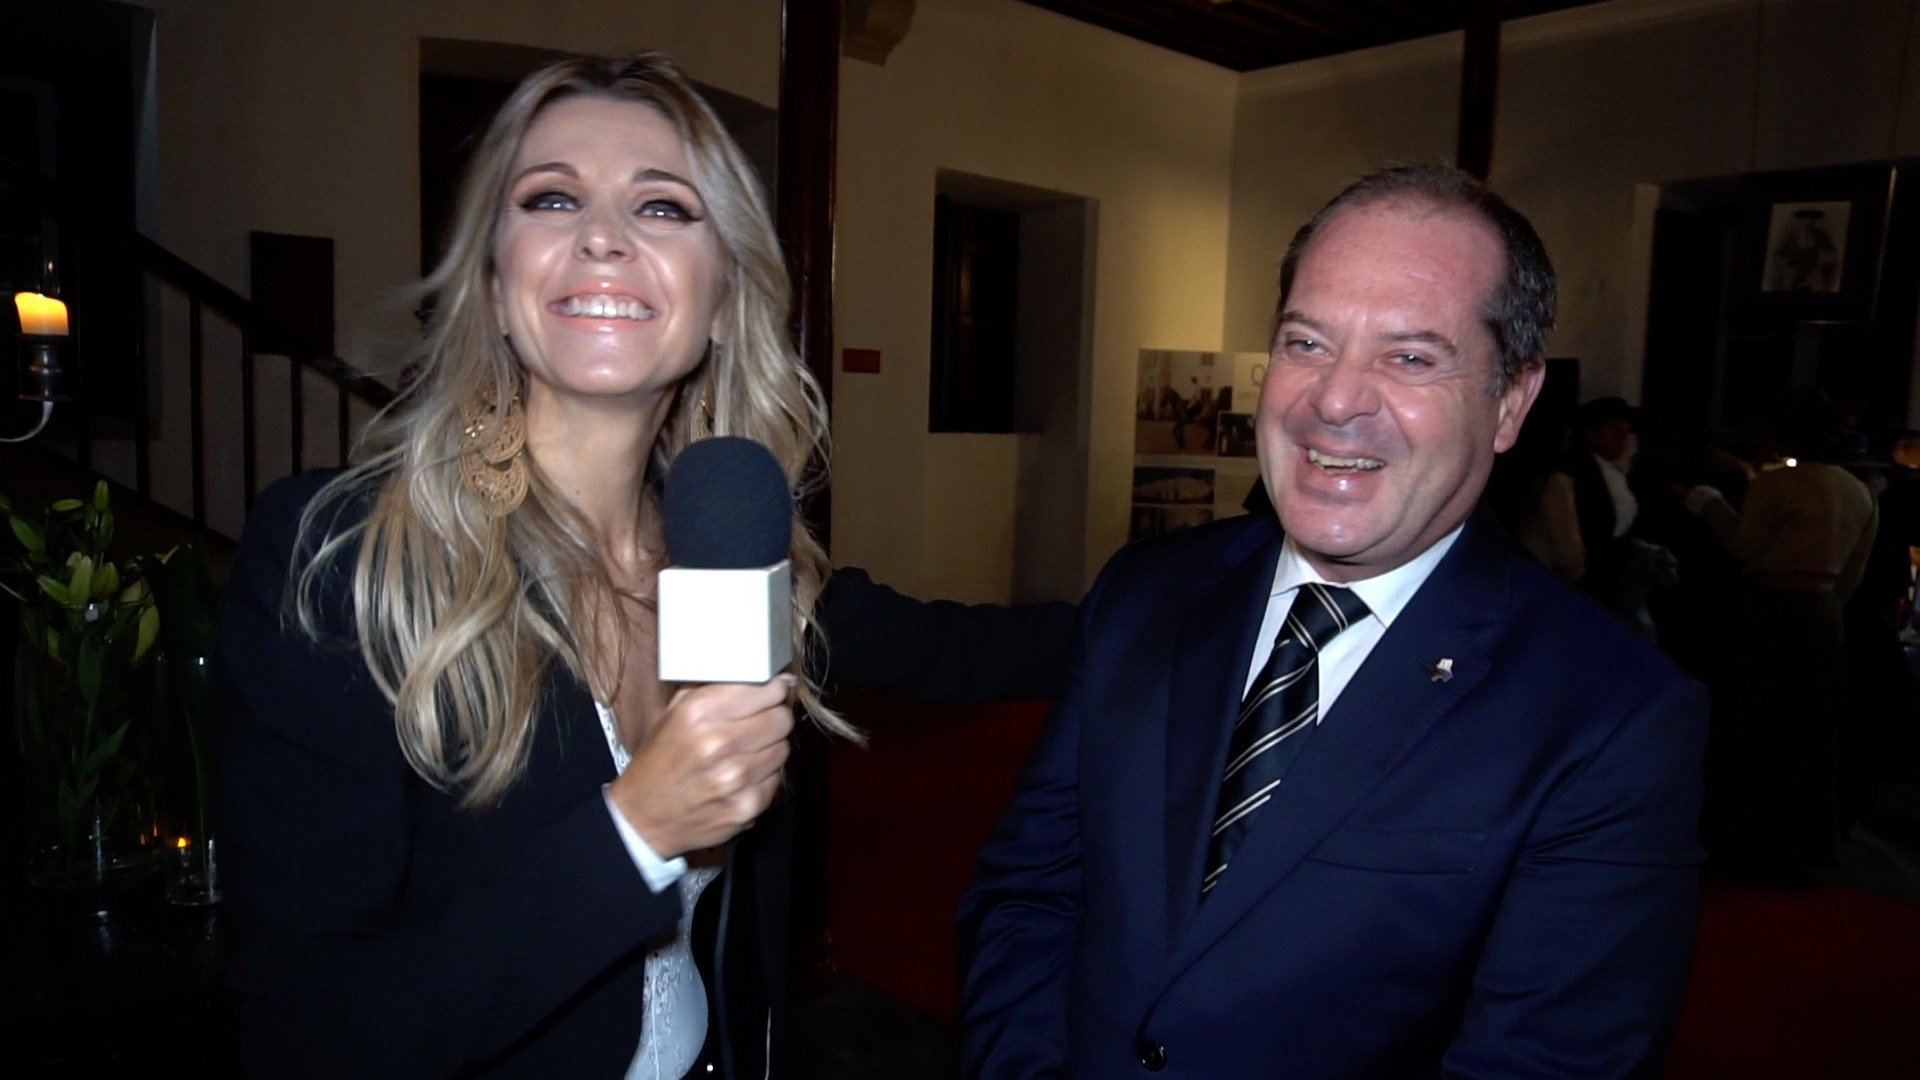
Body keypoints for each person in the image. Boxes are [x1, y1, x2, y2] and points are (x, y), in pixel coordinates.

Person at [959, 165, 1708, 1076]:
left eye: (1410, 357)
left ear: (1510, 401)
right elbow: (1031, 894)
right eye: (1307, 342)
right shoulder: (1146, 593)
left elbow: (1545, 1062)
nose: (1334, 400)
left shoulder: (1612, 716)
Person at [216, 54, 844, 1077]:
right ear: (494, 289)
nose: (602, 235)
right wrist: (635, 833)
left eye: (663, 205)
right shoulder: (340, 560)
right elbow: (306, 1033)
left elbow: (960, 640)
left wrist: (1147, 601)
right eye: (552, 198)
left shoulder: (723, 549)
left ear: (725, 300)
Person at [1683, 389, 1877, 868]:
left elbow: (1744, 545)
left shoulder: (1777, 485)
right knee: (1812, 731)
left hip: (1772, 607)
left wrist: (1709, 504)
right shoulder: (1858, 491)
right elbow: (1854, 570)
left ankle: (1738, 838)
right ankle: (1803, 846)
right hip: (1824, 611)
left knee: (1752, 722)